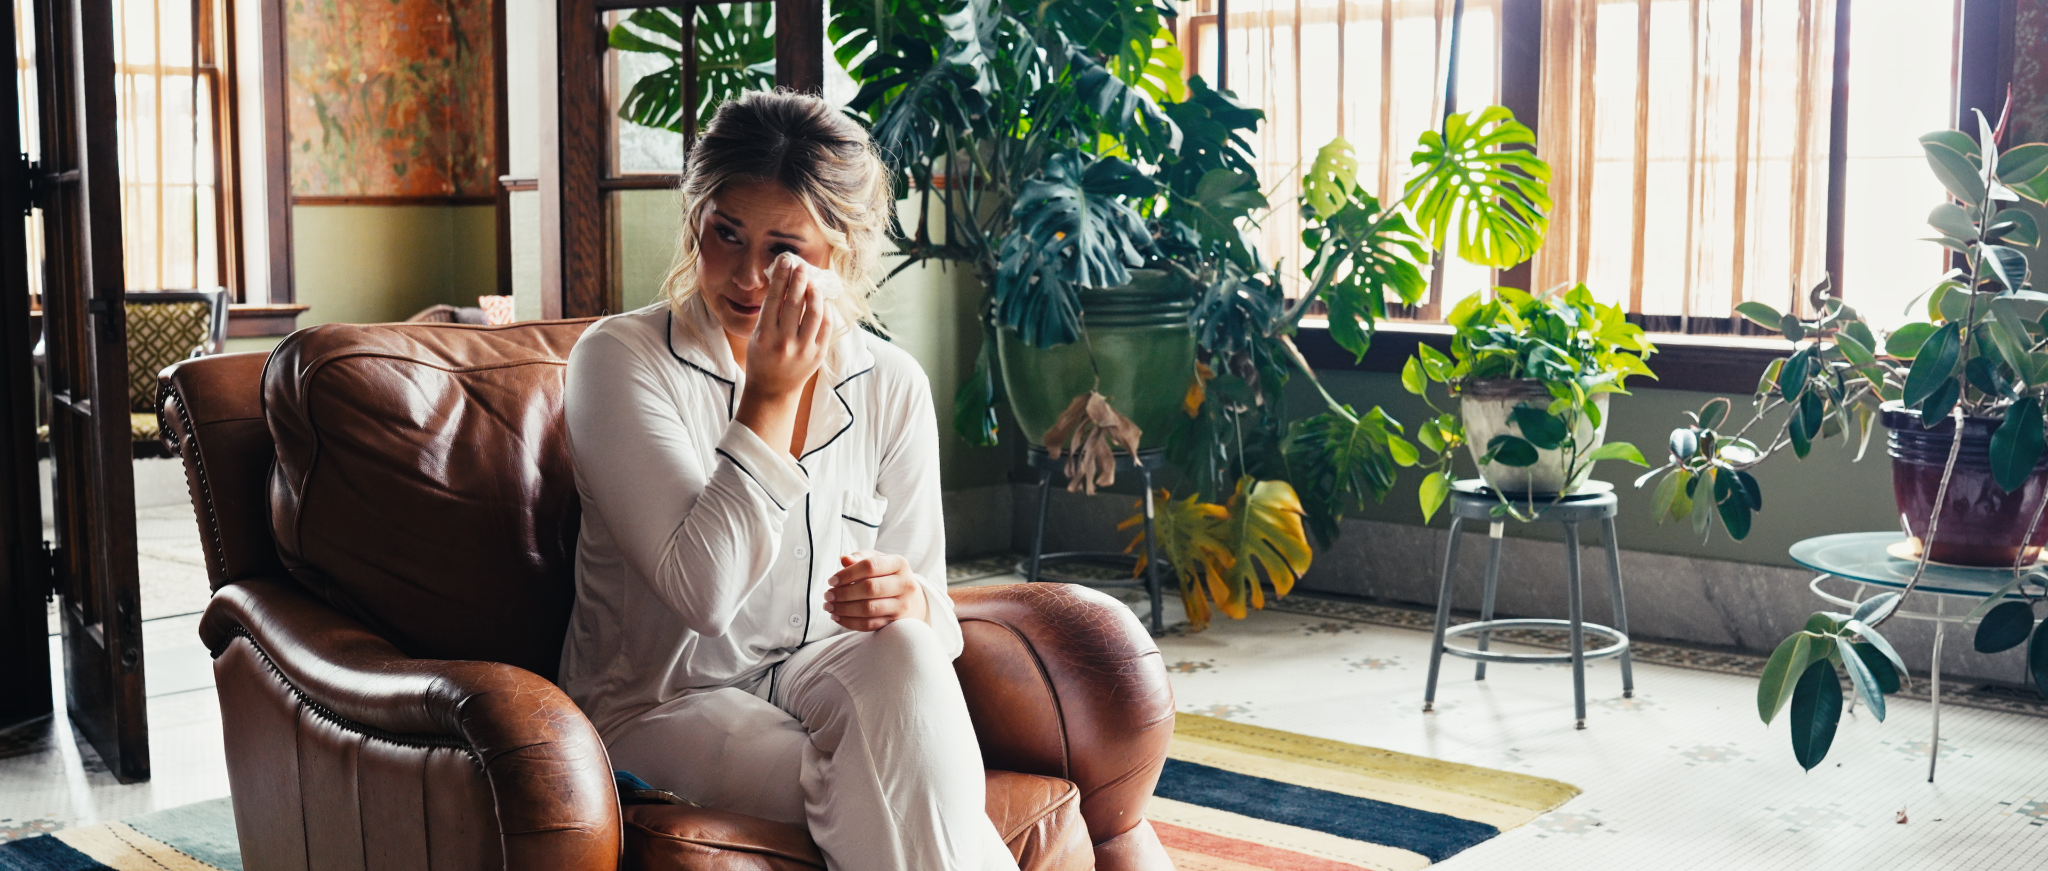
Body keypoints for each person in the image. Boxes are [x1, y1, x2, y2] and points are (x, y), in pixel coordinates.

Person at [557, 89, 1017, 871]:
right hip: (663, 700)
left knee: (905, 655)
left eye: (783, 250)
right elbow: (703, 593)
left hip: (816, 673)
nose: (746, 276)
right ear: (696, 220)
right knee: (885, 784)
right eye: (724, 234)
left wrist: (908, 598)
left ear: (840, 251)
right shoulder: (618, 361)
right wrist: (768, 398)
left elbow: (932, 622)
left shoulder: (890, 383)